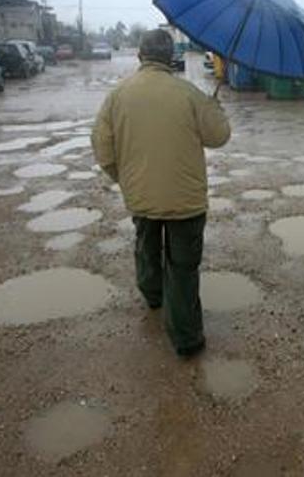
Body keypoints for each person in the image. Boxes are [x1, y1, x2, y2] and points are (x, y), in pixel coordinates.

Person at [92, 30, 231, 358]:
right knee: (182, 268)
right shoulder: (190, 94)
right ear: (170, 58)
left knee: (147, 247)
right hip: (186, 202)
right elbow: (219, 136)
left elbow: (102, 145)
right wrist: (215, 109)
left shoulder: (117, 96)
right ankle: (186, 339)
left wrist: (123, 179)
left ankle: (153, 296)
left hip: (141, 196)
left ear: (141, 55)